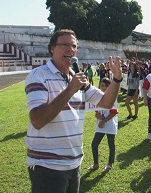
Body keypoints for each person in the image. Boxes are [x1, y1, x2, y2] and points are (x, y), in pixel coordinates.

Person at [25, 29, 122, 193]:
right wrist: (70, 89)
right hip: (47, 165)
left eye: (74, 46)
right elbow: (38, 120)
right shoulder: (38, 75)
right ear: (52, 49)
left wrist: (117, 80)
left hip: (74, 162)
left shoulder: (77, 79)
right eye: (64, 45)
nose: (70, 49)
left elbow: (106, 102)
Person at [88, 78, 118, 172]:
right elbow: (96, 112)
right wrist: (98, 116)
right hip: (100, 125)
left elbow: (113, 113)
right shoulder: (98, 98)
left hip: (109, 124)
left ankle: (110, 163)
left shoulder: (113, 97)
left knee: (111, 144)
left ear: (110, 87)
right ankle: (96, 164)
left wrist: (103, 121)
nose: (103, 88)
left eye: (105, 86)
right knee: (94, 144)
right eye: (102, 86)